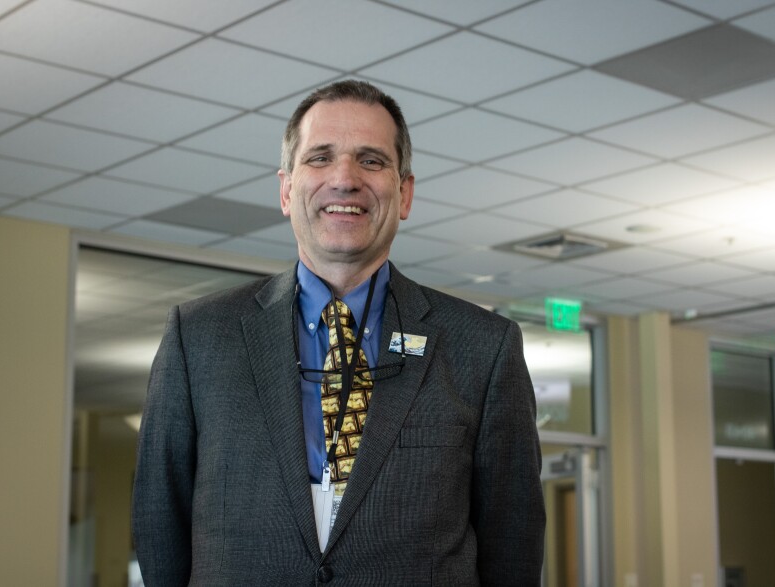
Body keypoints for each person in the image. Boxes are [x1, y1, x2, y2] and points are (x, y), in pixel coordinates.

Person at [132, 80, 545, 586]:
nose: (345, 179)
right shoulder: (197, 338)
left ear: (404, 193)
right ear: (287, 190)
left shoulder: (484, 348)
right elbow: (159, 522)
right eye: (320, 158)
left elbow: (513, 545)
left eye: (371, 160)